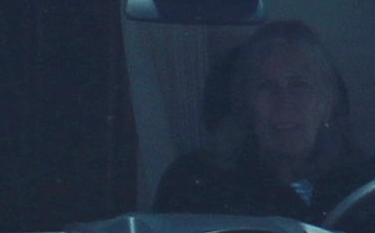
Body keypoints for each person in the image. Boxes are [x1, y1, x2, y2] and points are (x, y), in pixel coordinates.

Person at [153, 21, 360, 220]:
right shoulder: (195, 185)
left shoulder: (360, 188)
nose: (284, 101)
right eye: (266, 86)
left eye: (299, 85)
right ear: (246, 104)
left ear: (326, 101)